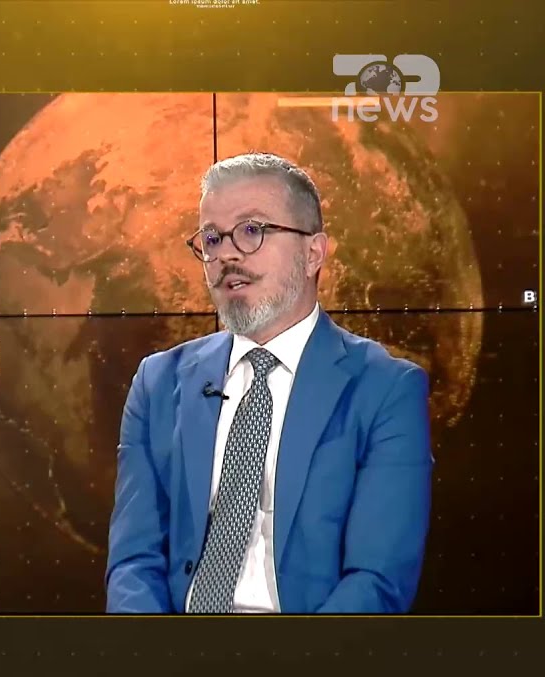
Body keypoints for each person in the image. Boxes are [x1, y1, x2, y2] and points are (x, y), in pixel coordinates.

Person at [105, 152, 432, 614]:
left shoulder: (385, 390)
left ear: (313, 253)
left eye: (252, 230)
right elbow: (133, 563)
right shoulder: (157, 384)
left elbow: (376, 580)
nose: (226, 255)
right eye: (212, 238)